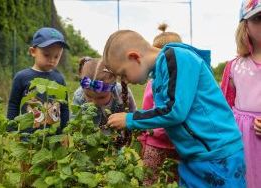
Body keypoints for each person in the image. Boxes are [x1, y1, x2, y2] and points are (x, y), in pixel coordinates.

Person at [103, 29, 245, 187]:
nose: (125, 80)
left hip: (218, 154)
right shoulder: (159, 75)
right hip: (194, 157)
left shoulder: (176, 57)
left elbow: (174, 111)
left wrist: (130, 119)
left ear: (135, 57)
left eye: (123, 74)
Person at [221, 1, 261, 187]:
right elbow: (223, 109)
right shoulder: (234, 66)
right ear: (245, 25)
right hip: (242, 141)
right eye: (258, 18)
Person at [139, 23, 181, 185]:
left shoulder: (183, 82)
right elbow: (145, 111)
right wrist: (143, 140)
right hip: (155, 144)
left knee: (175, 181)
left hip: (179, 144)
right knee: (149, 180)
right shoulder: (153, 83)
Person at [7, 27, 69, 134]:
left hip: (53, 138)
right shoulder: (21, 77)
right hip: (28, 137)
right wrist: (11, 130)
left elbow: (64, 108)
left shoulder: (59, 79)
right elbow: (13, 105)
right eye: (46, 55)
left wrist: (64, 132)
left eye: (56, 56)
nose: (52, 60)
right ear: (33, 51)